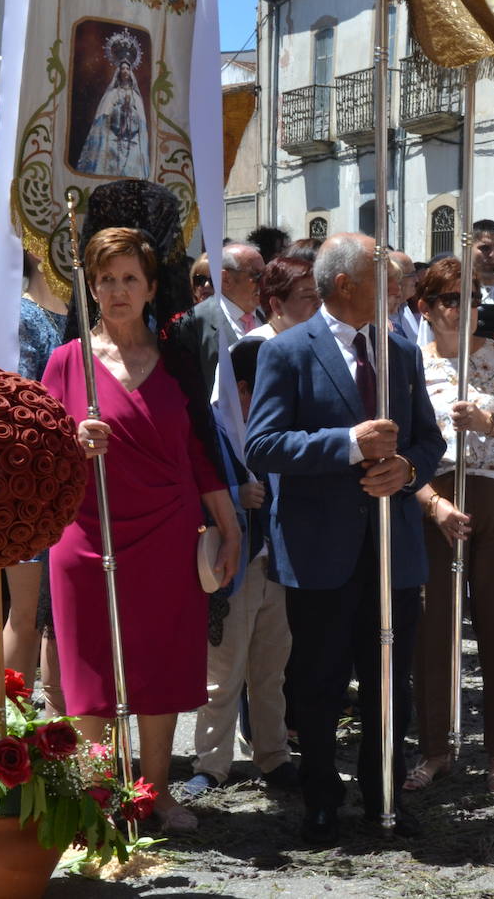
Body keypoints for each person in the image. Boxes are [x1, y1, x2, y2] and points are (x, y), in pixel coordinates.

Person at [244, 233, 444, 846]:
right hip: (320, 550)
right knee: (320, 681)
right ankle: (321, 799)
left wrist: (406, 470)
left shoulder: (400, 350)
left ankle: (384, 792)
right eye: (385, 277)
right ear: (346, 285)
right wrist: (347, 445)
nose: (401, 288)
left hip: (393, 548)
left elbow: (429, 442)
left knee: (390, 680)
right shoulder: (288, 351)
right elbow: (262, 446)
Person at [42, 227, 241, 833]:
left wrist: (230, 530)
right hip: (84, 536)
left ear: (152, 287)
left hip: (168, 534)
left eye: (130, 278)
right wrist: (72, 442)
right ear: (91, 288)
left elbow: (201, 455)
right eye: (106, 279)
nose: (118, 290)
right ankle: (94, 798)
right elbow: (39, 450)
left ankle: (155, 792)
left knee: (159, 665)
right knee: (90, 671)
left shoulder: (177, 363)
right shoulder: (66, 361)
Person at [401, 258, 494, 795]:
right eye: (451, 299)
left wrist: (491, 423)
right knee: (433, 628)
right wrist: (432, 502)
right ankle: (436, 748)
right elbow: (400, 449)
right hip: (437, 497)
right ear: (426, 308)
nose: (465, 309)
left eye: (473, 298)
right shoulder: (409, 363)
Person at [183, 337, 298, 799]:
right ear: (245, 388)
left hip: (279, 566)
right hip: (233, 567)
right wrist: (233, 499)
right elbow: (188, 491)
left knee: (272, 670)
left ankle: (273, 756)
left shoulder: (278, 426)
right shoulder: (210, 431)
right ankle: (210, 765)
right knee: (223, 675)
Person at [6, 252, 70, 715]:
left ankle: (57, 728)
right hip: (31, 486)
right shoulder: (24, 316)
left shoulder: (76, 317)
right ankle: (10, 725)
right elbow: (23, 398)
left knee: (62, 617)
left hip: (70, 484)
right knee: (27, 614)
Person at [175, 241, 267, 391]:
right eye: (256, 275)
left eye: (266, 274)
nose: (264, 282)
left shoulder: (272, 315)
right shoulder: (193, 324)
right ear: (226, 279)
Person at [76, 60, 150, 179]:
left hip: (132, 138)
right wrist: (119, 110)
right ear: (118, 72)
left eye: (127, 68)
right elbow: (104, 119)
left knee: (136, 156)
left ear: (131, 72)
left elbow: (140, 123)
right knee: (108, 153)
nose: (125, 71)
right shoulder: (112, 94)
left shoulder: (135, 97)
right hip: (114, 136)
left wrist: (130, 112)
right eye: (122, 68)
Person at [245, 256, 321, 341]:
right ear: (276, 305)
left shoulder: (323, 340)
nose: (319, 304)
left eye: (320, 296)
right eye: (308, 296)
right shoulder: (254, 347)